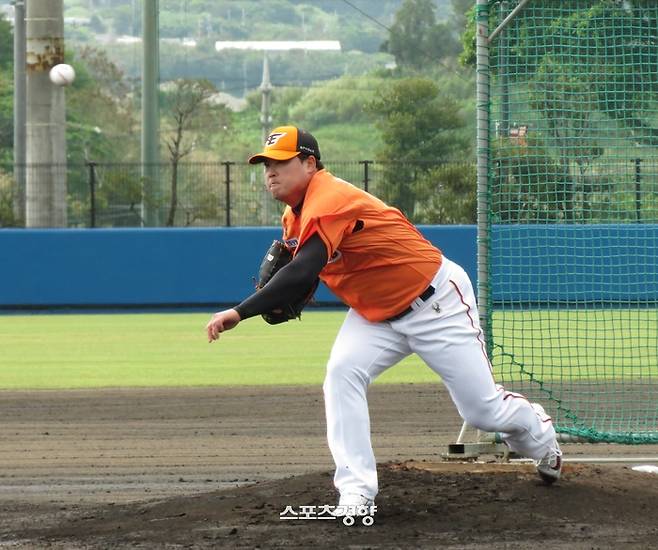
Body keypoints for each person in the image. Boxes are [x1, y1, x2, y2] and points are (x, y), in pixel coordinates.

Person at [206, 125, 562, 512]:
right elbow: (301, 270)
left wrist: (240, 311)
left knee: (482, 411)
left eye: (280, 162)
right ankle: (356, 491)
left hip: (435, 302)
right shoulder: (293, 218)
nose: (270, 172)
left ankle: (539, 434)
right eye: (265, 164)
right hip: (375, 314)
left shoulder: (329, 198)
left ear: (310, 163)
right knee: (342, 375)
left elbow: (303, 270)